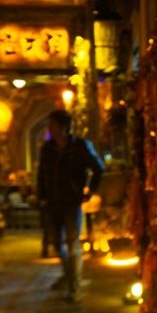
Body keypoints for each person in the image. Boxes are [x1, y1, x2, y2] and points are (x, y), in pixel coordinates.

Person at [37, 110, 104, 301]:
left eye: (53, 125)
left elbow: (98, 168)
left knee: (73, 243)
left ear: (64, 127)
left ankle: (73, 284)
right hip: (52, 202)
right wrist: (42, 196)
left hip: (71, 202)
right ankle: (69, 275)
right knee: (57, 245)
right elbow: (41, 174)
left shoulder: (80, 146)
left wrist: (89, 190)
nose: (50, 129)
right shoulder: (47, 149)